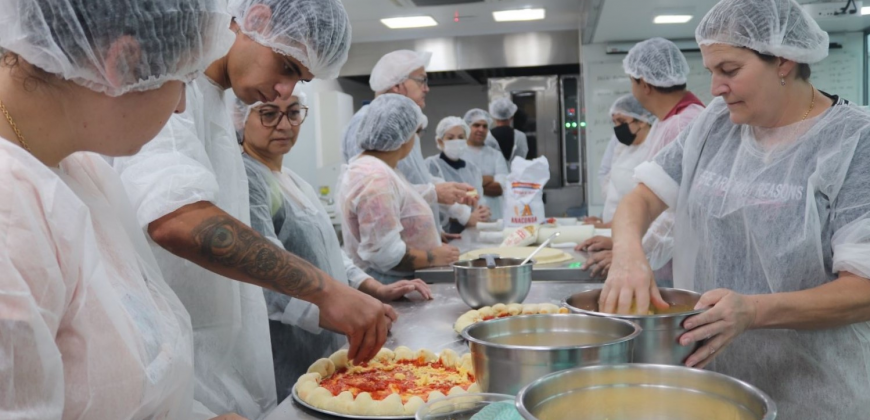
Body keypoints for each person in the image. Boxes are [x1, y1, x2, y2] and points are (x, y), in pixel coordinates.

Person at [112, 1, 396, 418]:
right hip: (175, 381)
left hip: (223, 370)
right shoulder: (171, 88)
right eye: (285, 66)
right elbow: (175, 218)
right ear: (256, 20)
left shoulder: (215, 107)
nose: (286, 91)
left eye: (298, 80)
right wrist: (323, 291)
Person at [601, 0, 870, 418]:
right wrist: (627, 255)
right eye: (711, 72)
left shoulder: (854, 142)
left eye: (729, 70)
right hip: (712, 382)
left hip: (813, 390)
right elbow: (641, 197)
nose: (715, 87)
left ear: (783, 60)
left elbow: (864, 290)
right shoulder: (716, 124)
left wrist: (754, 310)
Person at [0, 0, 249, 419]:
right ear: (126, 62)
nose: (181, 107)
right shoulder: (11, 214)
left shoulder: (81, 172)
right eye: (183, 80)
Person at [234, 92, 432, 402]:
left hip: (326, 345)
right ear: (240, 118)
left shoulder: (295, 182)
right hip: (289, 347)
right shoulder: (247, 180)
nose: (284, 125)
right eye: (269, 114)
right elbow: (265, 281)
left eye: (294, 112)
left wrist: (371, 287)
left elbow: (328, 250)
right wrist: (342, 311)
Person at [340, 50, 476, 236]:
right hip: (391, 255)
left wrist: (434, 230)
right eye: (422, 80)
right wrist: (433, 192)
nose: (427, 88)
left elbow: (415, 177)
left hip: (414, 247)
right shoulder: (369, 124)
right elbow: (373, 193)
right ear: (398, 86)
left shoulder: (404, 124)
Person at [339, 94, 460, 285]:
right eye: (416, 133)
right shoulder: (375, 177)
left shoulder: (379, 169)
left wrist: (434, 195)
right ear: (404, 136)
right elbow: (386, 255)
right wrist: (433, 256)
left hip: (403, 285)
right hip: (392, 290)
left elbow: (399, 200)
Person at [578, 95, 656, 280]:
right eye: (614, 122)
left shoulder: (654, 148)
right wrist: (605, 220)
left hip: (641, 241)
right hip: (614, 234)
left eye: (622, 121)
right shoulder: (623, 147)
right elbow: (612, 185)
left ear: (642, 121)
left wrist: (615, 226)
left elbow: (656, 208)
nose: (618, 128)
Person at [425, 117, 491, 234]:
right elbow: (432, 204)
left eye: (461, 137)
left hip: (470, 231)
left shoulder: (472, 169)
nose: (456, 141)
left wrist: (482, 211)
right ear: (440, 141)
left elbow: (476, 197)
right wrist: (462, 217)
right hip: (443, 233)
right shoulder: (432, 165)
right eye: (450, 138)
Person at [463, 108, 509, 221]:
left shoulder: (496, 155)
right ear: (467, 127)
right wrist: (489, 178)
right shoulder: (459, 153)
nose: (481, 129)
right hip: (467, 216)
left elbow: (500, 188)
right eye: (476, 125)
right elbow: (460, 188)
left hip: (495, 215)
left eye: (485, 126)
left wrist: (472, 184)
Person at [489, 98, 529, 163]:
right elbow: (522, 157)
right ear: (512, 116)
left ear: (494, 116)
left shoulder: (487, 136)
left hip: (493, 173)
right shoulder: (521, 136)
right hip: (516, 173)